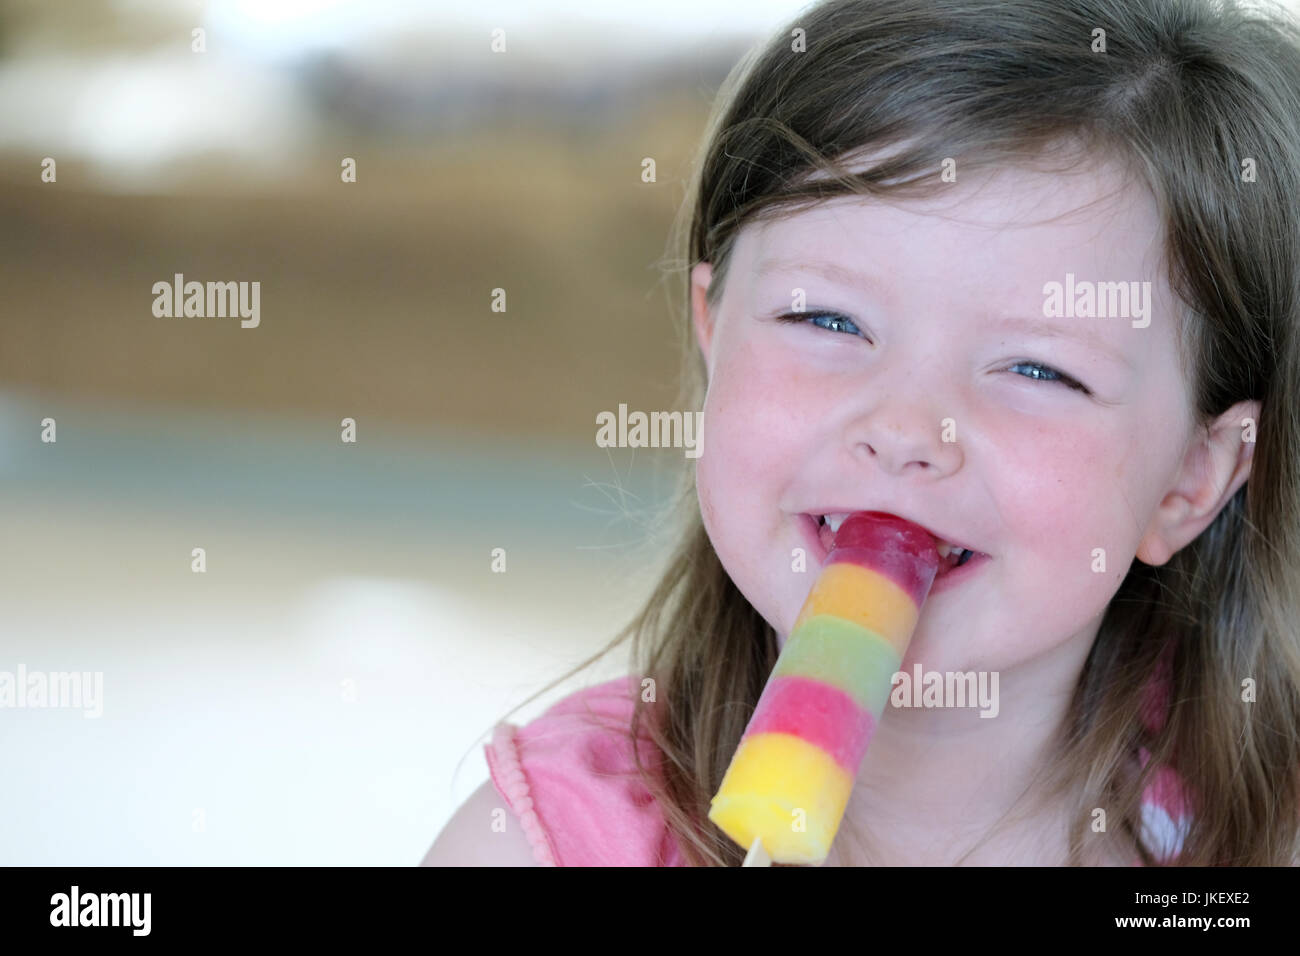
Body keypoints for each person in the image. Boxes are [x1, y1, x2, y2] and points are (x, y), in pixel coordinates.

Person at [425, 0, 1300, 866]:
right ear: (712, 328)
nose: (904, 428)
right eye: (828, 321)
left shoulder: (1248, 845)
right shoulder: (537, 848)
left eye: (1039, 369)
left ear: (1193, 478)